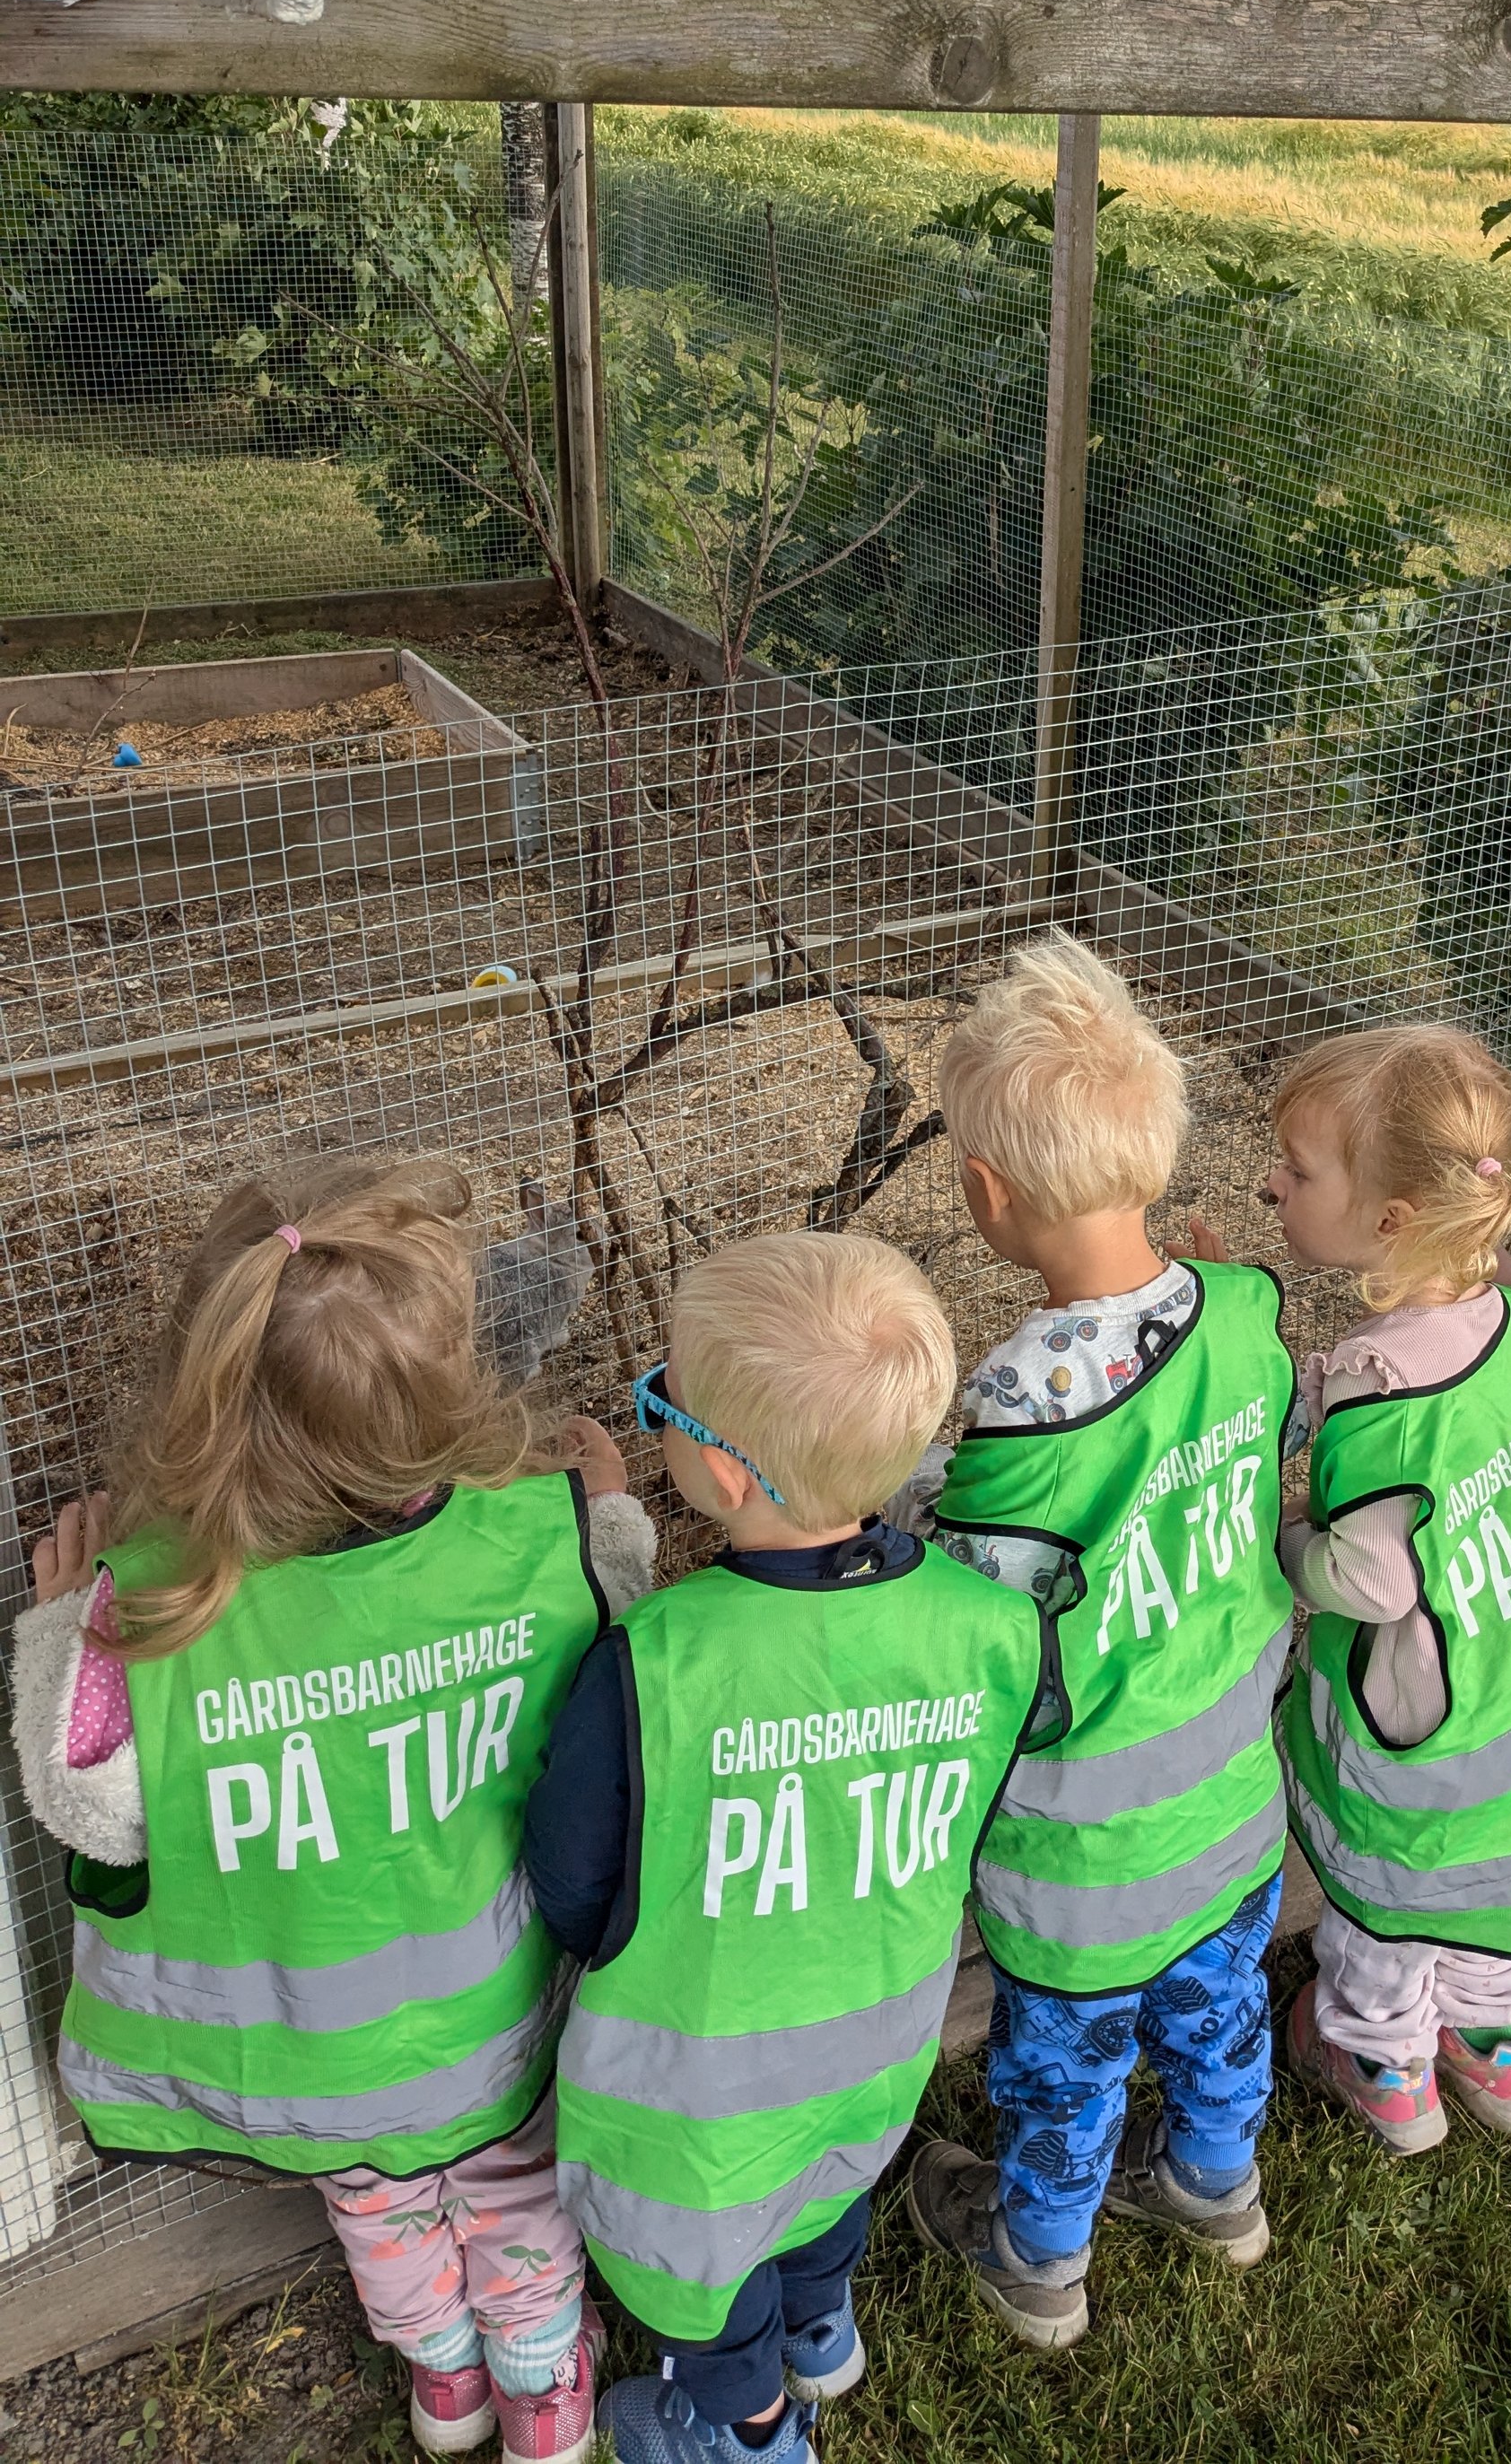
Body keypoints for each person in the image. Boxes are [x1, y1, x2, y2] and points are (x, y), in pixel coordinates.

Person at [8, 1155, 651, 2464]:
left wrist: (56, 1630)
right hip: (493, 2030)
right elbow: (620, 1629)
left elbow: (87, 1810)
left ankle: (445, 2381)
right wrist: (614, 1511)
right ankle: (543, 2394)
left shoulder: (148, 1612)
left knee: (380, 2205)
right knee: (518, 2195)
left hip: (308, 2062)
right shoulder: (542, 1546)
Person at [530, 1232, 1045, 2464]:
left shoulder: (658, 1659)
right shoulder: (992, 1626)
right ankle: (824, 2331)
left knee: (712, 2283)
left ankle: (751, 2426)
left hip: (696, 2099)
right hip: (873, 2040)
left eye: (661, 1399)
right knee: (825, 2194)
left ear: (714, 1465)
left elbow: (572, 1875)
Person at [904, 931, 1295, 2351]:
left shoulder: (1018, 1399)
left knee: (1064, 2070)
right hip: (1236, 1803)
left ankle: (1039, 2262)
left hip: (1083, 1852)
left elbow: (981, 1602)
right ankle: (1216, 2183)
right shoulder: (1248, 1311)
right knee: (1219, 2007)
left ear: (987, 1194)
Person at [1263, 1026, 1511, 2156]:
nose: (1272, 1184)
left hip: (1429, 1712)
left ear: (1391, 1219)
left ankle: (1378, 2053)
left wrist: (1284, 1537)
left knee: (1391, 1891)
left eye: (1299, 1173)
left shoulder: (1377, 1379)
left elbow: (1369, 1574)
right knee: (1490, 1878)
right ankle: (1497, 2049)